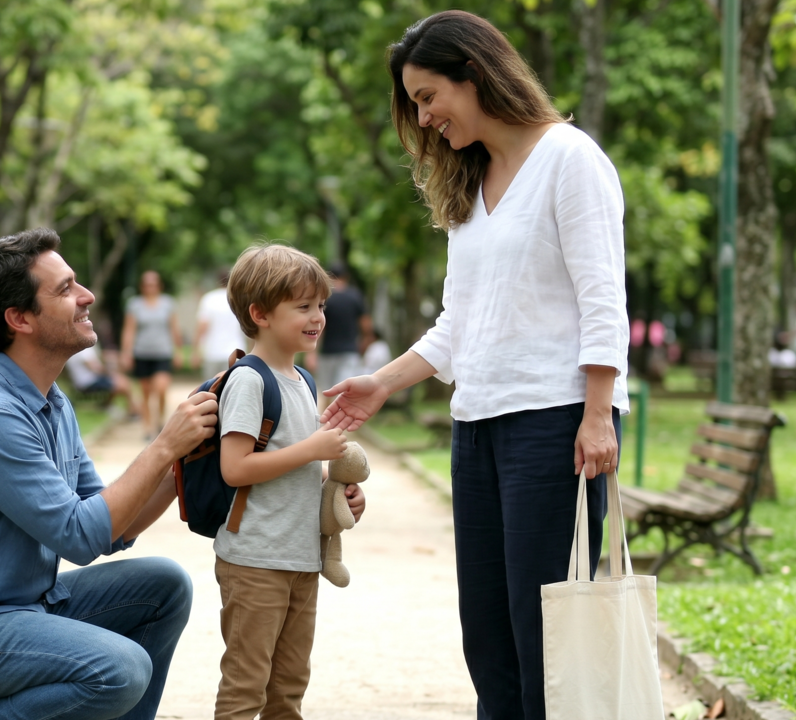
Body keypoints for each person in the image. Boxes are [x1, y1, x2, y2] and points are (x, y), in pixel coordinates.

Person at [321, 12, 628, 720]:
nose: (425, 119)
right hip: (478, 425)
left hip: (553, 425)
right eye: (416, 104)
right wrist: (382, 382)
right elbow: (457, 327)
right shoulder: (472, 184)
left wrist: (596, 414)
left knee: (542, 625)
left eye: (429, 97)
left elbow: (603, 300)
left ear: (477, 74)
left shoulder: (569, 159)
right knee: (486, 630)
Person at [0, 228, 219, 720]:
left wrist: (184, 462)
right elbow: (81, 537)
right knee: (120, 669)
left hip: (25, 608)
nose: (87, 296)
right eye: (65, 289)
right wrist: (163, 445)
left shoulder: (50, 399)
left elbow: (113, 527)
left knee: (165, 586)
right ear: (19, 318)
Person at [214, 243, 366, 720]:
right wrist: (313, 450)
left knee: (289, 688)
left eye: (319, 305)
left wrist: (334, 486)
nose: (317, 316)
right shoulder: (249, 380)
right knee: (246, 686)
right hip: (256, 558)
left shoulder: (301, 378)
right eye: (302, 306)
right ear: (259, 313)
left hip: (301, 556)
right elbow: (234, 468)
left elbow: (292, 462)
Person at [121, 270, 182, 440]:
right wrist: (127, 352)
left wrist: (178, 351)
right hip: (142, 353)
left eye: (153, 284)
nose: (150, 287)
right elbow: (129, 330)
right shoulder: (135, 305)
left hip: (163, 352)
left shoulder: (168, 303)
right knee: (146, 393)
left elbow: (174, 328)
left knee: (161, 388)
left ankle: (160, 421)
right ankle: (148, 428)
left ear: (159, 285)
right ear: (142, 286)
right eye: (147, 284)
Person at [313, 264, 370, 410]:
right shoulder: (355, 296)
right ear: (346, 277)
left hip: (327, 352)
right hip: (349, 351)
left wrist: (312, 353)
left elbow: (320, 327)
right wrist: (364, 345)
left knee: (326, 391)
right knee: (343, 391)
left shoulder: (326, 297)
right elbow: (366, 325)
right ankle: (338, 426)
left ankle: (324, 424)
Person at [194, 269, 248, 377]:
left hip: (212, 352)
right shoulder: (238, 298)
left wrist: (196, 350)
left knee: (210, 389)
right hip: (236, 350)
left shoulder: (209, 299)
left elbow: (203, 326)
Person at [65, 343, 133, 418]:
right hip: (88, 382)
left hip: (89, 380)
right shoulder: (83, 350)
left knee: (122, 381)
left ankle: (128, 409)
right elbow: (94, 368)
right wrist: (110, 373)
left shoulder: (78, 348)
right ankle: (129, 410)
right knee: (121, 384)